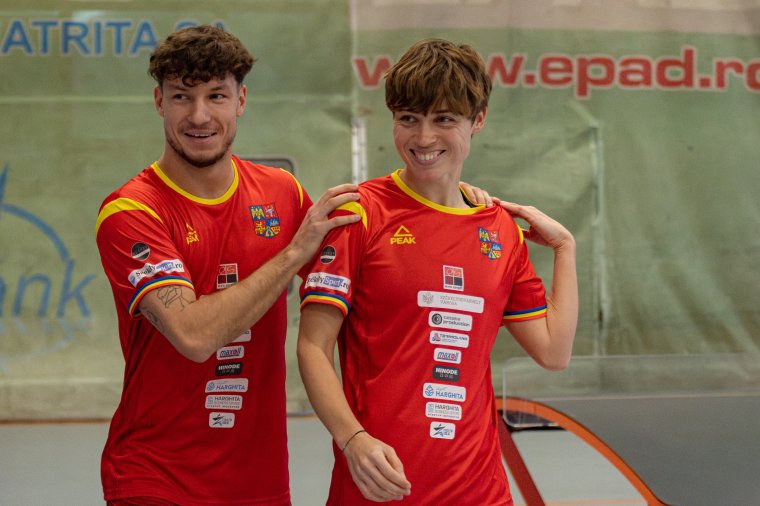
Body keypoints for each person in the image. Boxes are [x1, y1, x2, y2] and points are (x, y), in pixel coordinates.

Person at [297, 38, 578, 505]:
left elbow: (553, 352)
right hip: (379, 490)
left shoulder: (500, 230)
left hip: (481, 490)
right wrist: (352, 439)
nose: (424, 138)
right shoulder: (360, 214)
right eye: (409, 119)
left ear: (478, 119)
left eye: (444, 120)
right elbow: (312, 346)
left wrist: (566, 249)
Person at [93, 25, 365, 505]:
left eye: (216, 96)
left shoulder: (282, 193)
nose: (199, 116)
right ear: (159, 102)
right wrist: (292, 254)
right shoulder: (131, 212)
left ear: (241, 100)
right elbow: (194, 336)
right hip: (156, 479)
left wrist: (457, 202)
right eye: (182, 97)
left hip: (260, 481)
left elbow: (368, 282)